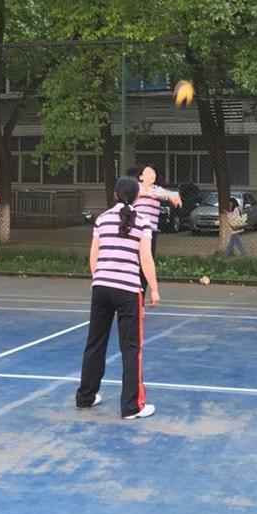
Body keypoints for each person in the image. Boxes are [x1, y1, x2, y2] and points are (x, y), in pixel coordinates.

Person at [76, 176, 160, 419]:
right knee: (131, 347)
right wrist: (154, 288)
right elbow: (146, 259)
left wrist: (100, 279)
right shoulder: (142, 221)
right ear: (137, 196)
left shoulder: (102, 219)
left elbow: (93, 256)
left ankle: (85, 397)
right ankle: (132, 406)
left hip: (101, 287)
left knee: (95, 342)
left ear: (114, 194)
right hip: (128, 290)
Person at [130, 163, 181, 294]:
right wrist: (148, 194)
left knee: (146, 264)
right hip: (135, 232)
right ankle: (130, 292)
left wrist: (174, 197)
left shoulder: (157, 190)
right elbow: (129, 194)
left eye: (153, 173)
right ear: (141, 177)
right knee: (133, 263)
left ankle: (141, 295)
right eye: (147, 172)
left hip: (150, 233)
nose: (151, 175)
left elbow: (170, 193)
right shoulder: (135, 187)